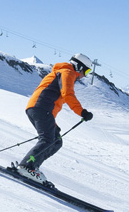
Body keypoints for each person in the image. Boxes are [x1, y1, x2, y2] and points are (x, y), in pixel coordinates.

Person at [11, 53, 95, 184]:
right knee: (48, 140)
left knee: (56, 141)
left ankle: (32, 167)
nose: (86, 75)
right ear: (79, 67)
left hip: (38, 109)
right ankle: (26, 167)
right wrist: (82, 112)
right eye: (87, 71)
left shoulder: (63, 72)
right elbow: (67, 94)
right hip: (41, 108)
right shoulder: (68, 72)